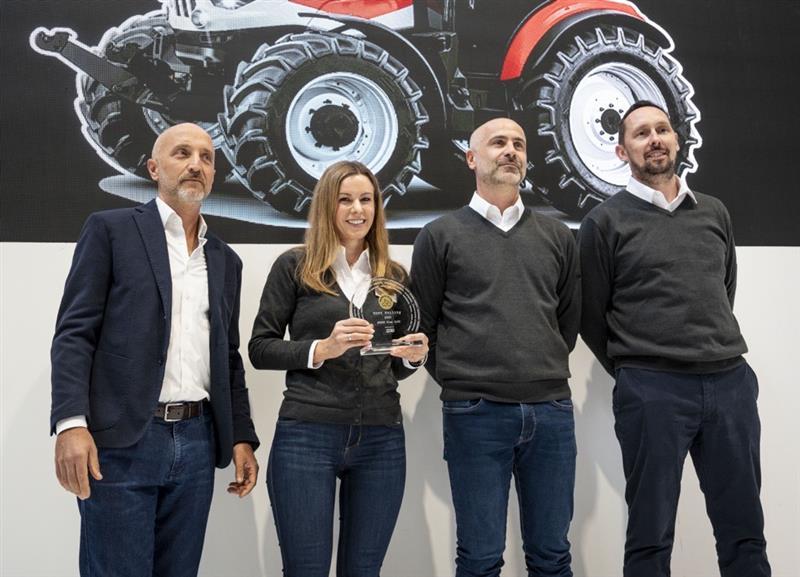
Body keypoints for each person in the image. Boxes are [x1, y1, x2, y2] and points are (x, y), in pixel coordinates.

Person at [50, 123, 260, 577]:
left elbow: (227, 358)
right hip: (123, 441)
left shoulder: (225, 259)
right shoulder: (111, 231)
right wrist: (70, 424)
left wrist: (241, 436)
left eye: (206, 157)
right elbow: (74, 333)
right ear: (153, 167)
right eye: (182, 153)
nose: (195, 164)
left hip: (198, 443)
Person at [578, 100, 771, 577]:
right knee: (650, 533)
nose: (655, 139)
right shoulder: (604, 222)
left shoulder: (714, 212)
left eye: (662, 129)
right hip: (653, 390)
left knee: (744, 529)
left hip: (730, 385)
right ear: (623, 151)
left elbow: (722, 289)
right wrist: (637, 366)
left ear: (677, 139)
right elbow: (590, 316)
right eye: (641, 134)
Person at [410, 118, 580, 577]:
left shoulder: (559, 237)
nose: (511, 151)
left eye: (519, 144)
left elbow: (567, 323)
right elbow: (422, 326)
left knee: (552, 556)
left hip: (551, 413)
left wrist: (536, 367)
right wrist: (465, 380)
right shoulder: (439, 235)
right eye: (498, 142)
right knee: (481, 558)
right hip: (475, 414)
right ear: (471, 158)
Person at [248, 160, 428, 577]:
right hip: (307, 435)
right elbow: (260, 347)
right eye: (345, 199)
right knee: (306, 569)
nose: (357, 210)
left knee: (364, 571)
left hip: (382, 439)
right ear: (326, 206)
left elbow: (390, 366)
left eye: (366, 200)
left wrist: (412, 356)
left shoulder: (395, 276)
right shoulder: (295, 267)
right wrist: (321, 349)